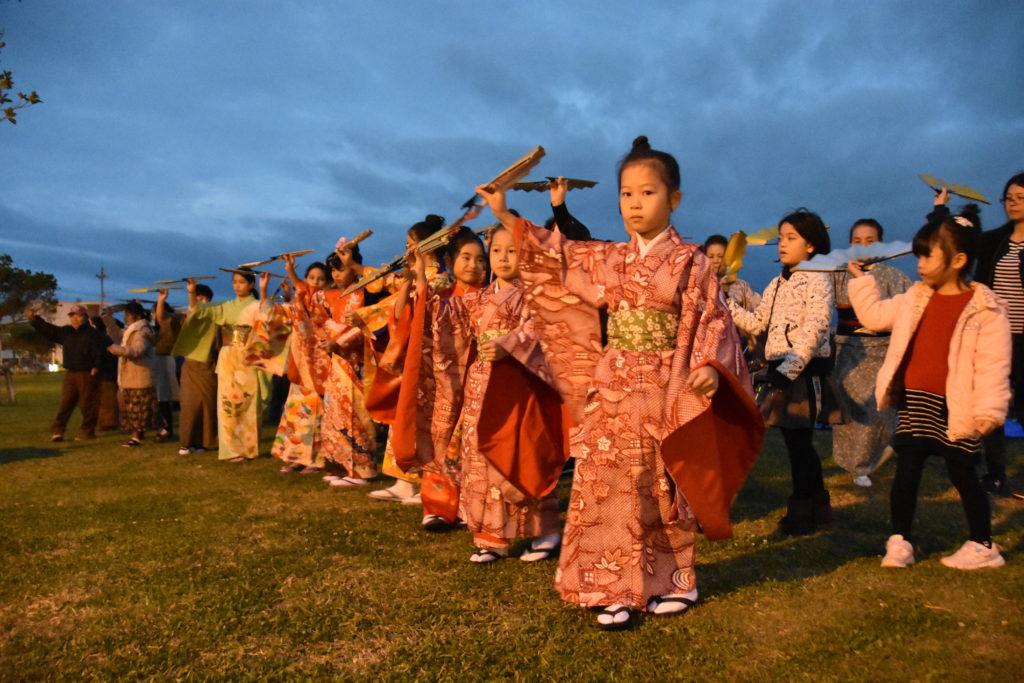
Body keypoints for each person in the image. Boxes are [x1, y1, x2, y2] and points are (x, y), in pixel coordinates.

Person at [478, 136, 762, 631]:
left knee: (661, 482)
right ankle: (613, 586)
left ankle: (677, 581)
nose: (634, 204)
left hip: (667, 382)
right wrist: (506, 215)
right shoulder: (612, 258)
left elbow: (714, 321)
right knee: (606, 483)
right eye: (626, 194)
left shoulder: (691, 261)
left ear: (673, 198)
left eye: (647, 193)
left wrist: (709, 367)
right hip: (612, 383)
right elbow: (561, 255)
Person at [848, 199, 1010, 569]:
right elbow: (874, 317)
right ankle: (900, 541)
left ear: (957, 260)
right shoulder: (914, 298)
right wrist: (863, 283)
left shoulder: (986, 308)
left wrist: (989, 410)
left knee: (963, 471)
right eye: (918, 256)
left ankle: (983, 546)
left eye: (927, 256)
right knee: (908, 469)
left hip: (958, 403)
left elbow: (993, 364)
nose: (919, 264)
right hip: (917, 400)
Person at [454, 224, 567, 563]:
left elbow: (538, 329)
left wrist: (508, 345)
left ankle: (543, 530)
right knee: (481, 453)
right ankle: (490, 538)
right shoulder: (476, 298)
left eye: (512, 250)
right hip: (482, 383)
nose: (503, 257)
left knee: (521, 454)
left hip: (520, 382)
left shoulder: (534, 294)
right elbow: (452, 326)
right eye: (497, 251)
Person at [729, 209, 840, 536]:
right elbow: (758, 323)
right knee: (796, 442)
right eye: (781, 237)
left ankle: (802, 510)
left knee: (799, 442)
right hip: (782, 369)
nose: (782, 244)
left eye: (791, 238)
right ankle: (817, 505)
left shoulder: (818, 277)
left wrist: (789, 369)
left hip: (804, 373)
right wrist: (725, 303)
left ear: (811, 245)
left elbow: (817, 328)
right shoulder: (777, 283)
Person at [392, 228, 485, 530]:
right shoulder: (443, 296)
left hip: (479, 379)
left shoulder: (491, 296)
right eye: (466, 258)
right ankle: (436, 507)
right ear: (451, 260)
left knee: (472, 444)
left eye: (479, 259)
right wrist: (418, 274)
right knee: (440, 440)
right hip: (445, 382)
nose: (473, 265)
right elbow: (423, 313)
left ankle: (471, 509)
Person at [830, 219, 912, 486]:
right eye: (857, 240)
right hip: (847, 348)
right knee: (848, 408)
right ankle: (849, 462)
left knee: (877, 411)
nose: (863, 245)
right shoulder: (837, 273)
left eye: (870, 240)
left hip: (882, 350)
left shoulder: (896, 276)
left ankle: (867, 464)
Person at [178, 269, 270, 462]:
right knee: (227, 406)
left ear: (251, 285)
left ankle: (247, 448)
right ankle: (231, 450)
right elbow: (200, 311)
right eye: (235, 282)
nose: (237, 285)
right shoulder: (226, 306)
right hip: (229, 356)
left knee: (248, 404)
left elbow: (268, 316)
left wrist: (263, 290)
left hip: (248, 356)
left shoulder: (255, 305)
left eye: (242, 282)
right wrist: (191, 292)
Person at [972, 173, 1024, 498]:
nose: (1013, 202)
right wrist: (941, 210)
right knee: (992, 406)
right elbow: (962, 246)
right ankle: (995, 475)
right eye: (1009, 197)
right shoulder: (994, 241)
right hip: (996, 337)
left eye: (1021, 196)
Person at [272, 257, 330, 473]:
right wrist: (289, 272)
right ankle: (296, 456)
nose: (315, 282)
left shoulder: (325, 301)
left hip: (317, 363)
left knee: (316, 412)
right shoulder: (301, 300)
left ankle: (316, 458)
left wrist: (291, 272)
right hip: (300, 360)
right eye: (312, 277)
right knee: (296, 409)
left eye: (321, 279)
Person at [26, 303, 103, 441]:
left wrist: (96, 366)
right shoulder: (66, 332)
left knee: (88, 405)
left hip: (87, 373)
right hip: (71, 373)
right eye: (72, 316)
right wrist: (35, 320)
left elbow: (99, 351)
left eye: (78, 316)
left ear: (85, 317)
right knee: (66, 403)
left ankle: (88, 431)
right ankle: (58, 431)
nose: (74, 319)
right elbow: (49, 330)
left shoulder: (93, 334)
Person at [167, 283, 219, 455]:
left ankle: (204, 443)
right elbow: (164, 318)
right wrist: (190, 292)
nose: (201, 303)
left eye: (205, 299)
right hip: (190, 366)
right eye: (198, 299)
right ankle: (186, 443)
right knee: (189, 406)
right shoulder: (186, 319)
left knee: (207, 405)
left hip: (208, 365)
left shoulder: (215, 319)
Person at [105, 301, 156, 447]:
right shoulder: (132, 331)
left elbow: (135, 351)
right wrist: (108, 317)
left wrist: (115, 349)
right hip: (133, 376)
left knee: (137, 410)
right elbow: (115, 333)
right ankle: (142, 434)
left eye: (128, 314)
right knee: (135, 409)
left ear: (136, 316)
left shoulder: (141, 332)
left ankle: (136, 437)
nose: (125, 317)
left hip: (140, 376)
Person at [702, 234, 761, 312]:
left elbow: (760, 310)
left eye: (720, 256)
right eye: (711, 256)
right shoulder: (697, 286)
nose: (715, 261)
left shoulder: (741, 286)